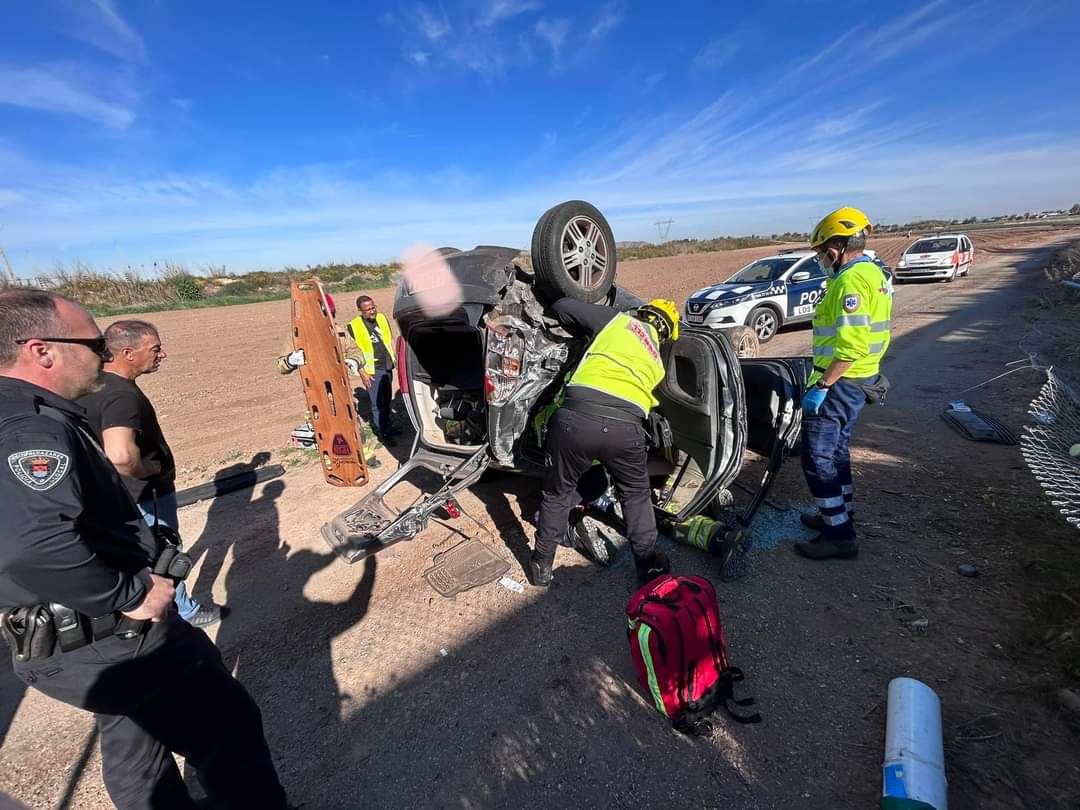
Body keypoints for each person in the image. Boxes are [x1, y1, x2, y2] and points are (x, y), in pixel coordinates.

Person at [0, 290, 287, 809]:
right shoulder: (29, 428)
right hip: (114, 636)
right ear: (41, 350)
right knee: (227, 728)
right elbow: (34, 547)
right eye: (92, 342)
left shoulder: (21, 412)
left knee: (137, 746)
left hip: (64, 642)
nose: (102, 354)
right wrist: (130, 591)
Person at [79, 319, 225, 628]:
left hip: (113, 493)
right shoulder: (122, 396)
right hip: (146, 493)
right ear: (128, 353)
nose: (162, 355)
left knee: (137, 552)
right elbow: (119, 454)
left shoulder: (90, 386)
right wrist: (144, 469)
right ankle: (183, 613)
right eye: (155, 349)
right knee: (164, 552)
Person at [530, 297, 680, 588]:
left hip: (576, 418)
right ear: (664, 334)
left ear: (643, 312)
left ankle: (541, 566)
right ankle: (648, 569)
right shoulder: (657, 363)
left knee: (557, 492)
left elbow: (561, 307)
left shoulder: (618, 321)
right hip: (625, 430)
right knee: (636, 496)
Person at [793, 206, 893, 560]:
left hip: (841, 381)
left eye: (821, 252)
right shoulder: (873, 274)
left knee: (817, 457)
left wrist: (822, 386)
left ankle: (840, 535)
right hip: (858, 378)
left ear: (834, 249)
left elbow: (851, 346)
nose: (820, 259)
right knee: (836, 453)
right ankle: (838, 515)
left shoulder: (850, 281)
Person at [277, 292, 381, 468]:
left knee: (352, 423)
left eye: (332, 315)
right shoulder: (297, 335)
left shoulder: (339, 332)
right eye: (327, 315)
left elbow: (356, 351)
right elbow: (280, 365)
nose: (331, 319)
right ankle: (332, 460)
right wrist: (291, 360)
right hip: (316, 391)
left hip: (340, 388)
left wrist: (353, 361)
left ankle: (364, 454)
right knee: (324, 428)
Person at [347, 295, 399, 446]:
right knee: (378, 404)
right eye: (368, 309)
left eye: (373, 307)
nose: (372, 311)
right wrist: (362, 373)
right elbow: (352, 353)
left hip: (387, 366)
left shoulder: (382, 318)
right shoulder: (354, 326)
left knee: (387, 399)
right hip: (372, 371)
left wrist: (397, 357)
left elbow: (390, 339)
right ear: (360, 311)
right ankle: (384, 434)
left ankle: (388, 427)